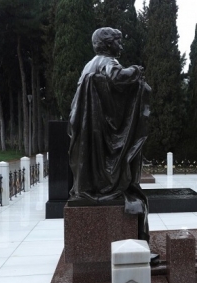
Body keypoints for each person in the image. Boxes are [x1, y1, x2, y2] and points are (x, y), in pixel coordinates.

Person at [68, 27, 152, 241]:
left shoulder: (89, 64)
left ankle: (93, 186)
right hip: (99, 128)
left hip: (89, 127)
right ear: (107, 44)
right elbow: (117, 79)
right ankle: (106, 187)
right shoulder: (108, 62)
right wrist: (136, 71)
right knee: (112, 163)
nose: (121, 46)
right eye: (118, 41)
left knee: (93, 160)